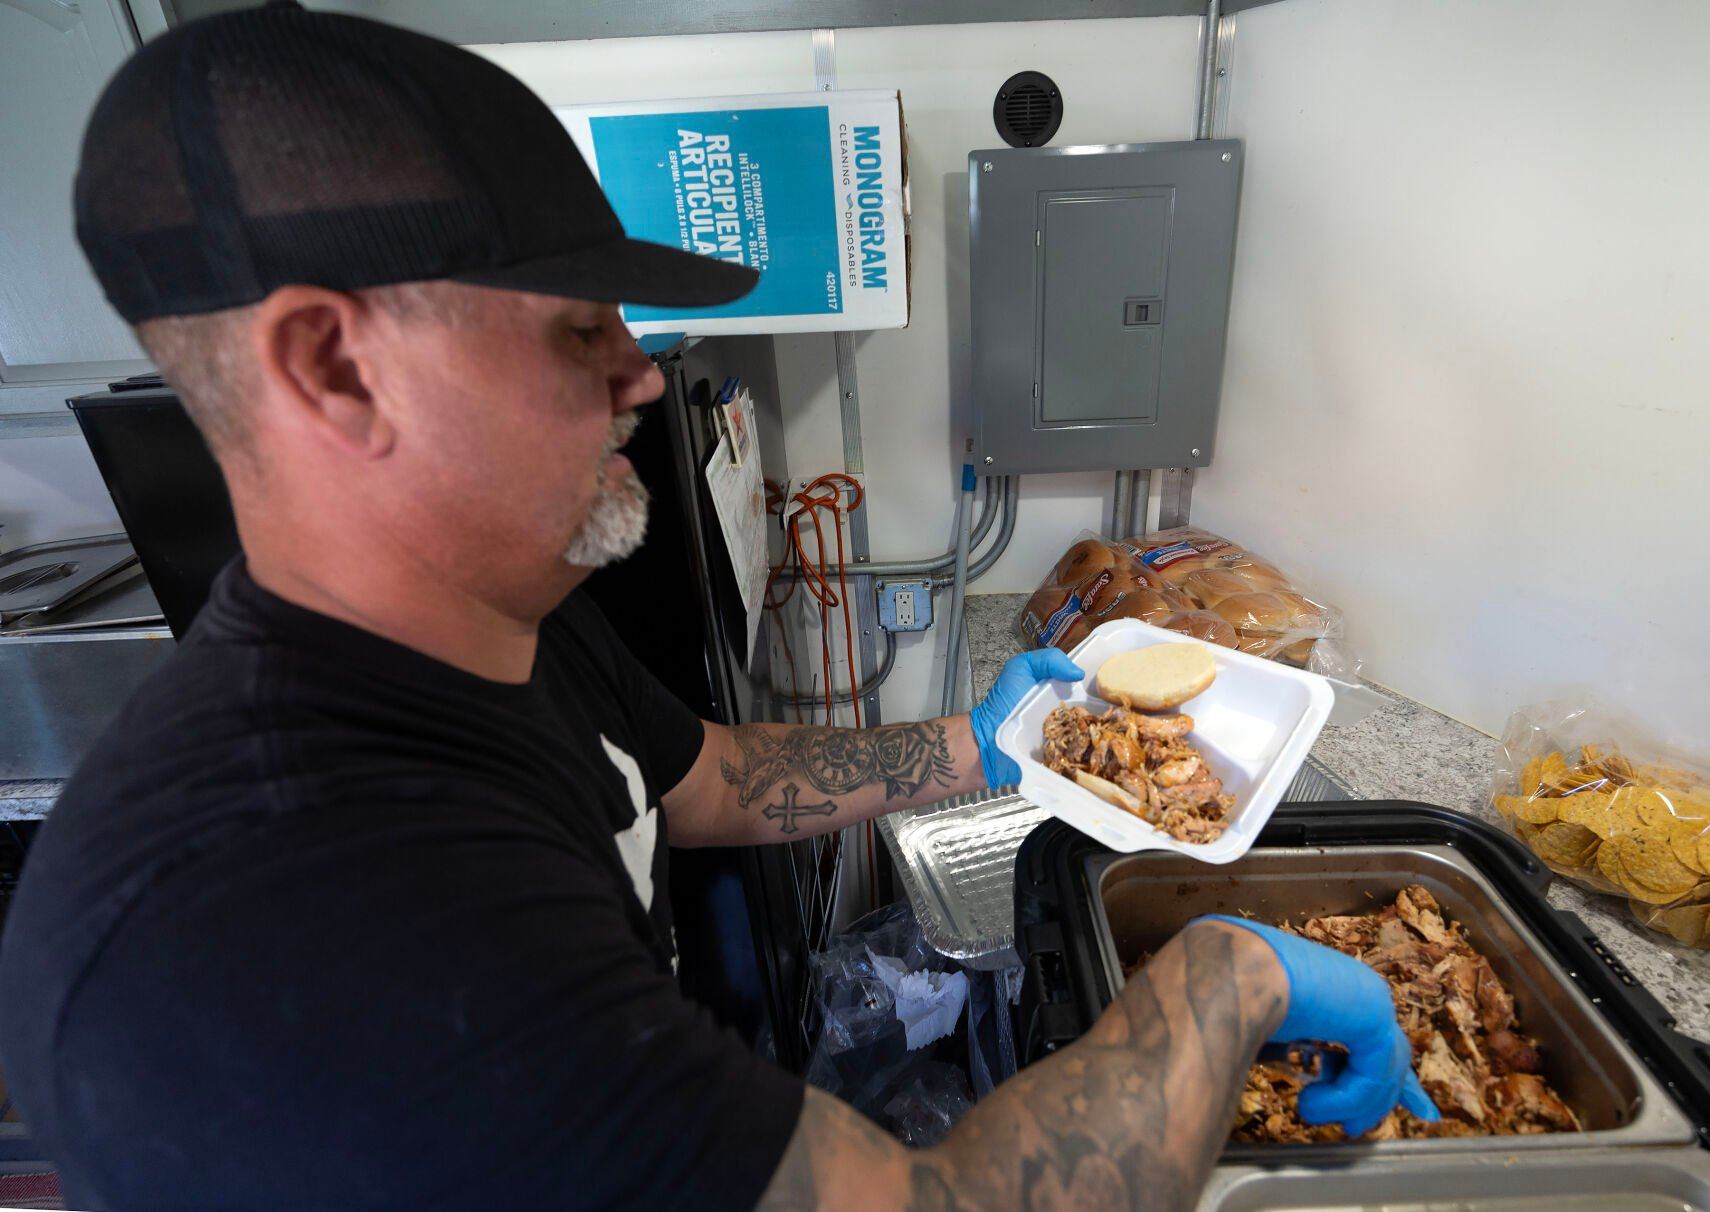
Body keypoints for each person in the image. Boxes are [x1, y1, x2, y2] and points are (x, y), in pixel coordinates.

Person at [0, 5, 1435, 1209]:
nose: (640, 372)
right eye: (576, 329)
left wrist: (992, 748)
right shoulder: (308, 916)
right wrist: (1223, 980)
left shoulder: (496, 616)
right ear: (331, 368)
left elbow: (694, 781)